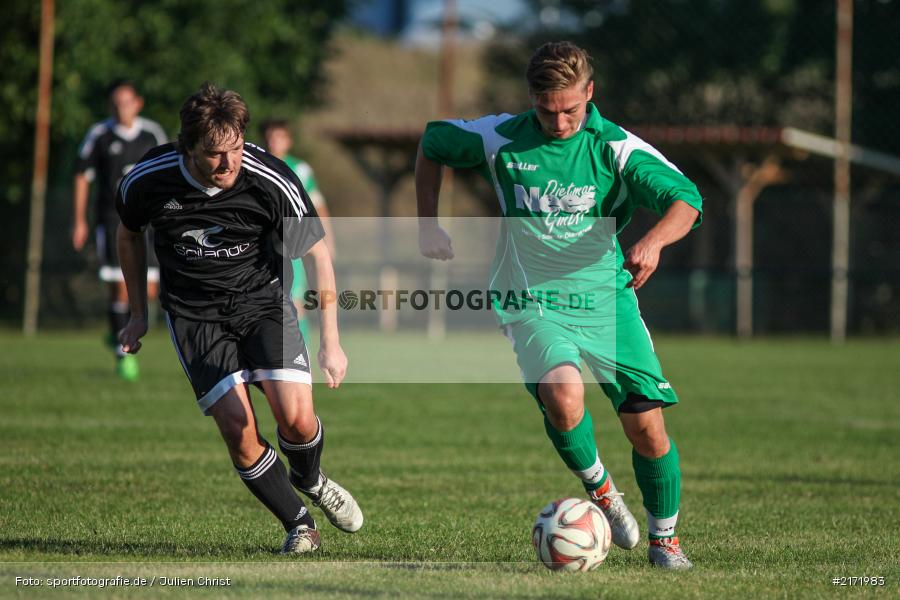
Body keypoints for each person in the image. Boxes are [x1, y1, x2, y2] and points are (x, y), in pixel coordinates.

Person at [416, 42, 702, 570]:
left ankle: (666, 542)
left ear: (589, 93)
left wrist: (655, 241)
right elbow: (433, 142)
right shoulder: (500, 137)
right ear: (532, 99)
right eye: (547, 110)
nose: (559, 120)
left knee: (646, 427)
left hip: (607, 300)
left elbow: (687, 199)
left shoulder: (614, 147)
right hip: (529, 298)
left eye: (570, 108)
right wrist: (426, 221)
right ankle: (602, 493)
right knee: (563, 395)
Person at [115, 82, 362, 554]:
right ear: (187, 148)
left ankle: (310, 479)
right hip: (194, 316)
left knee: (296, 418)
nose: (229, 164)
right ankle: (299, 525)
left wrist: (332, 340)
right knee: (238, 431)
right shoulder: (146, 180)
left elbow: (316, 255)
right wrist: (136, 313)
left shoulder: (270, 178)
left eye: (234, 150)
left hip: (263, 303)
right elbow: (129, 236)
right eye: (213, 154)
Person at [72, 79, 167, 381]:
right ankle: (121, 352)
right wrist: (79, 220)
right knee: (120, 286)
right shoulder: (99, 134)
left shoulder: (152, 133)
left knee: (149, 289)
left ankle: (118, 331)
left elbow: (168, 172)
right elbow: (82, 176)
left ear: (137, 103)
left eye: (126, 102)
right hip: (113, 221)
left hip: (149, 222)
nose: (120, 108)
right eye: (115, 103)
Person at [261, 119, 336, 340]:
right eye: (271, 137)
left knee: (295, 302)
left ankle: (300, 354)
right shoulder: (257, 165)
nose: (274, 142)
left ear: (289, 141)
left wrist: (328, 242)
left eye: (279, 137)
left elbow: (318, 207)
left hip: (292, 244)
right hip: (263, 245)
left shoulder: (300, 169)